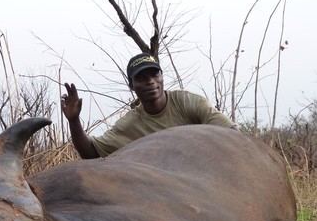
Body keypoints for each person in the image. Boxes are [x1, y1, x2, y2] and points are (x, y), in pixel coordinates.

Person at [61, 52, 237, 159]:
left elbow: (232, 134)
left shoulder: (188, 101)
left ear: (162, 77)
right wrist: (74, 120)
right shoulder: (130, 124)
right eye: (141, 78)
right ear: (131, 85)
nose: (150, 82)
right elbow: (91, 153)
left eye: (154, 74)